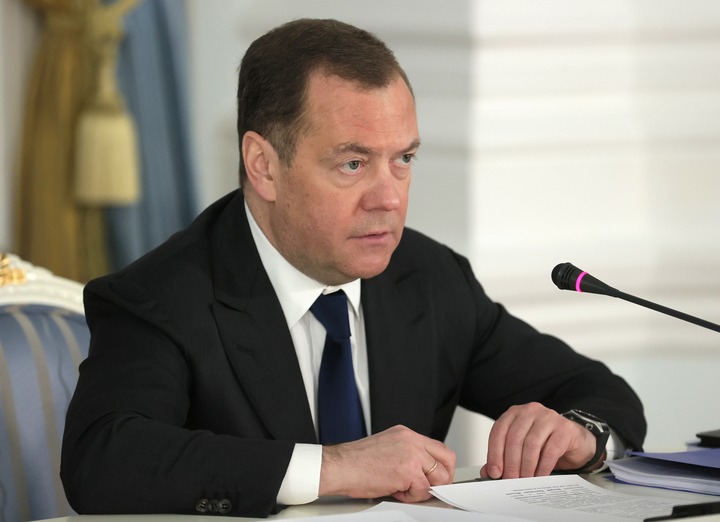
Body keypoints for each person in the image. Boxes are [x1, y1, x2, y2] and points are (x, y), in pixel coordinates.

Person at [61, 18, 646, 518]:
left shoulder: (428, 278)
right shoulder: (162, 297)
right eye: (353, 164)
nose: (388, 198)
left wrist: (579, 435)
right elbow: (103, 459)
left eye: (403, 159)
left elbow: (600, 394)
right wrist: (333, 467)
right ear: (263, 165)